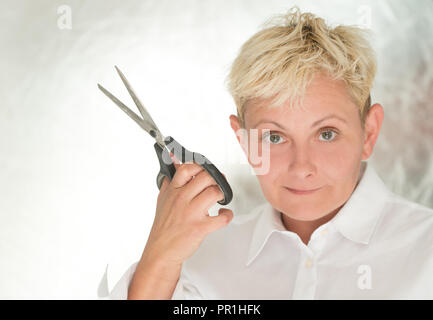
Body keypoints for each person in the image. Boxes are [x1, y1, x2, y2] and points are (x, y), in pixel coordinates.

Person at [107, 6, 433, 299]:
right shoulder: (199, 259)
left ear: (369, 132)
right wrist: (160, 256)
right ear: (244, 141)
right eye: (274, 137)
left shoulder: (425, 251)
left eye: (326, 133)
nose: (301, 167)